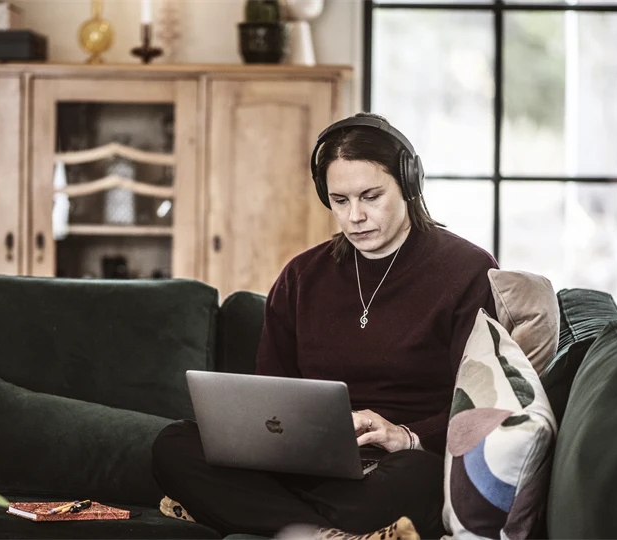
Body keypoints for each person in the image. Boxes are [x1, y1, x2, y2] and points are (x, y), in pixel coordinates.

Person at [152, 112, 498, 539]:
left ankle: (250, 515)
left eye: (371, 196)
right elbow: (270, 395)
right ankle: (325, 533)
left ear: (408, 185)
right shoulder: (301, 276)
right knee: (175, 444)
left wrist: (406, 435)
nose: (354, 216)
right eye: (340, 200)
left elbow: (481, 405)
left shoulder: (467, 271)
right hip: (304, 466)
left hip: (398, 463)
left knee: (419, 479)